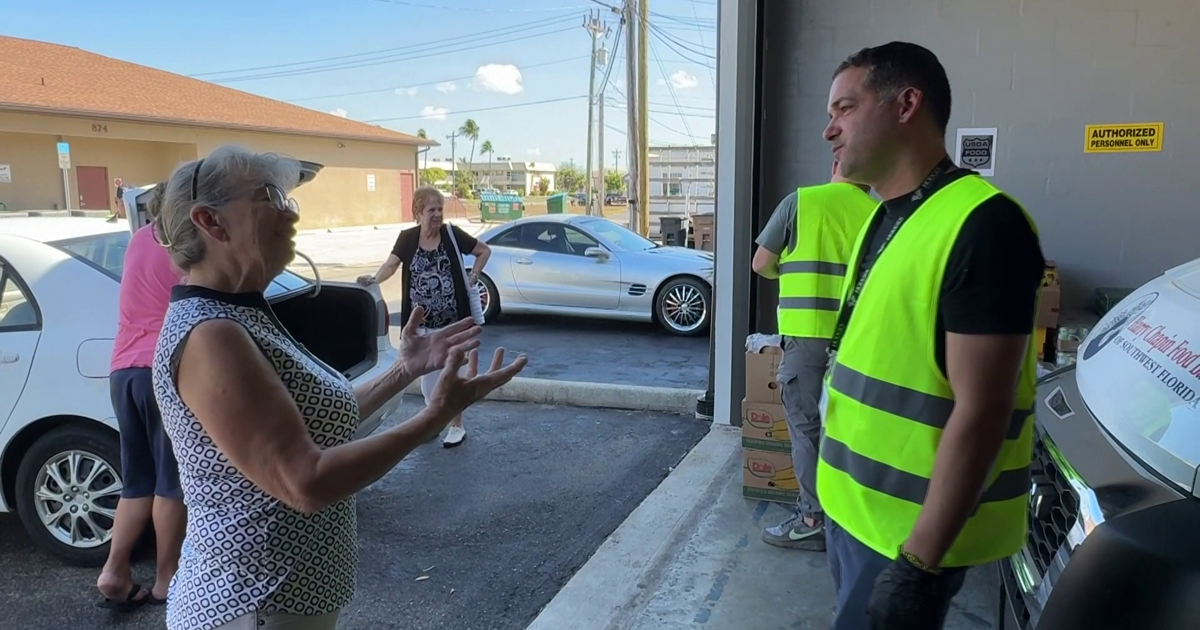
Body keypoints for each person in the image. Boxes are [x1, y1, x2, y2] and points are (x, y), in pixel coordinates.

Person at [151, 145, 526, 630]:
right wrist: (433, 416)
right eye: (271, 196)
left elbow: (323, 420)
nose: (290, 212)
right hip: (252, 606)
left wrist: (404, 370)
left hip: (284, 601)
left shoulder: (240, 311)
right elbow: (305, 482)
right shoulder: (210, 336)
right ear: (211, 222)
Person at [816, 42, 1045, 629]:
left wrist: (919, 564)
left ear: (906, 104)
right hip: (853, 511)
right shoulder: (884, 215)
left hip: (907, 538)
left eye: (844, 108)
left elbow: (985, 409)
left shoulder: (984, 226)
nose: (829, 131)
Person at [750, 159, 876, 552]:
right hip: (857, 342)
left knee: (806, 431)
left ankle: (811, 520)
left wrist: (787, 273)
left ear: (836, 164)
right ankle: (852, 518)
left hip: (805, 340)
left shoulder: (799, 203)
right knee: (852, 429)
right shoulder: (880, 214)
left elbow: (762, 264)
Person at [96, 181, 188, 611]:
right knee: (171, 483)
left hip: (123, 370)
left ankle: (114, 571)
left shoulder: (138, 239)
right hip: (161, 369)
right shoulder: (184, 245)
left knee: (137, 482)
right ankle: (167, 578)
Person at [357, 185, 492, 448]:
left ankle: (456, 425)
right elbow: (391, 265)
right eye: (432, 210)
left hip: (454, 325)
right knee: (429, 382)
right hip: (422, 328)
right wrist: (374, 279)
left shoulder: (451, 234)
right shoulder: (407, 238)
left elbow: (483, 251)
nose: (437, 214)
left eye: (440, 209)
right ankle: (434, 420)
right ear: (418, 212)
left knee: (454, 374)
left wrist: (473, 276)